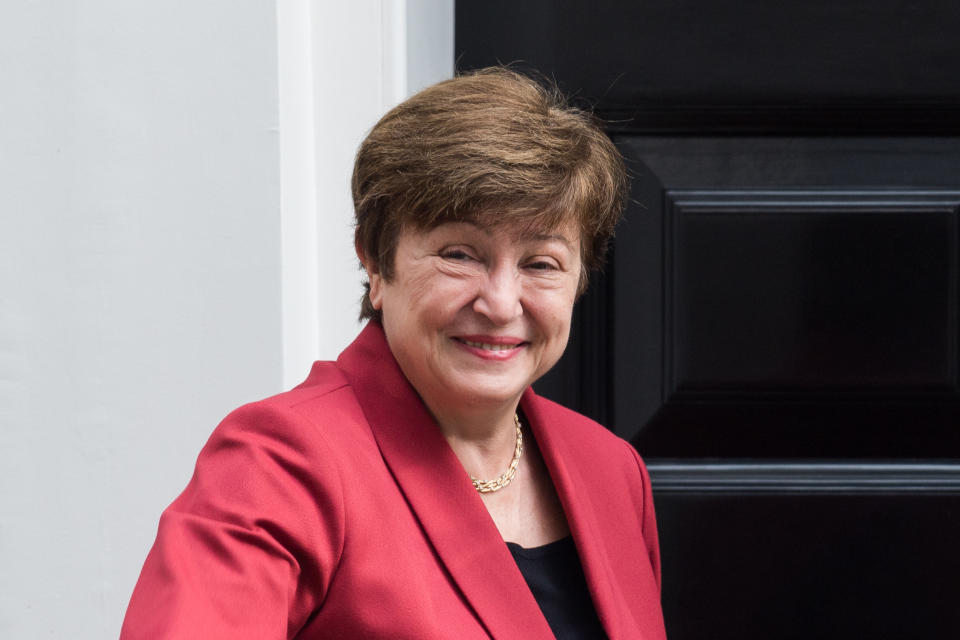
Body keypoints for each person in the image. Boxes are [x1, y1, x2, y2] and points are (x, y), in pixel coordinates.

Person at [121, 67, 666, 640]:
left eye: (541, 263)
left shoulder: (611, 470)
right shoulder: (281, 463)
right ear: (377, 263)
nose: (502, 303)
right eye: (460, 254)